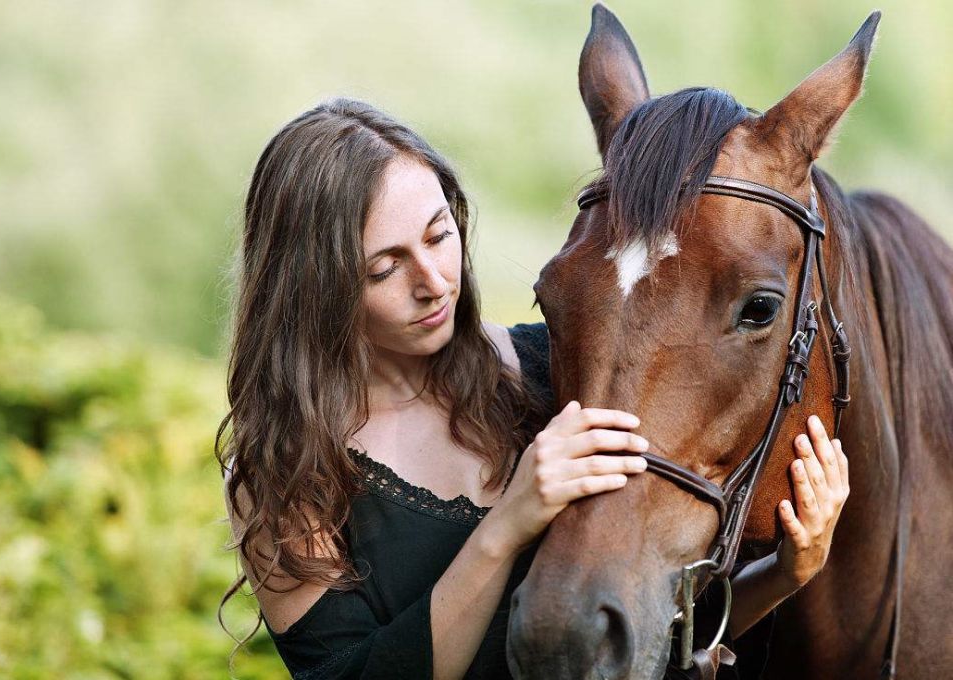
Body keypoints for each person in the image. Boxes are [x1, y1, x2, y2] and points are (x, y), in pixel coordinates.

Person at [215, 97, 850, 679]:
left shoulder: (555, 369)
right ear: (314, 289)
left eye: (440, 234)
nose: (434, 280)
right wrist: (507, 526)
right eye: (385, 267)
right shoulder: (286, 471)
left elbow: (640, 638)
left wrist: (786, 573)